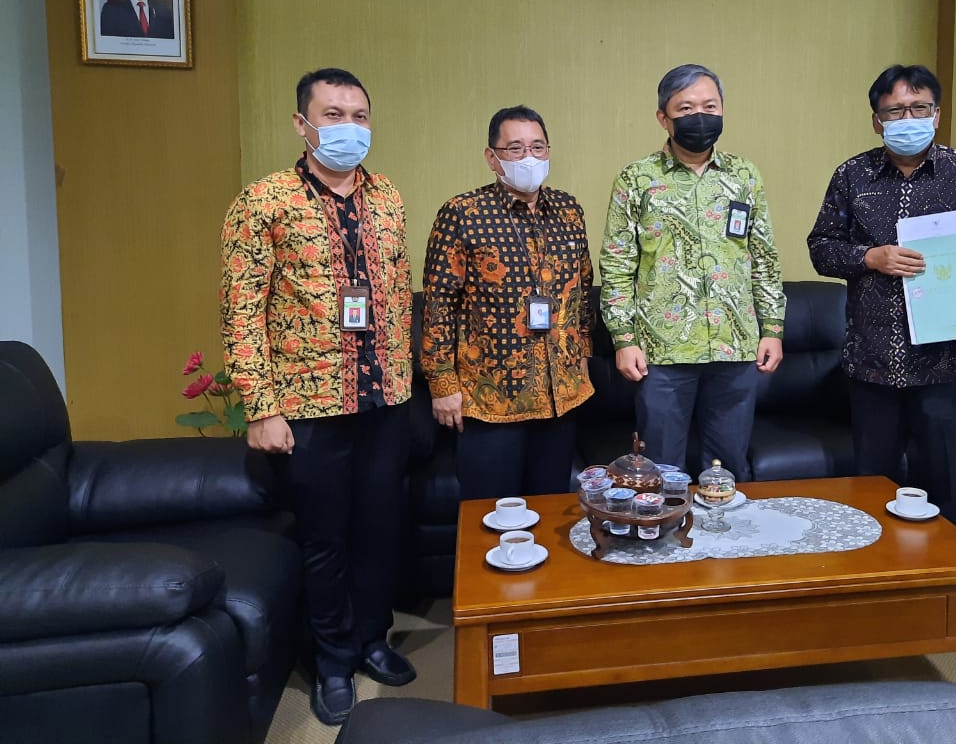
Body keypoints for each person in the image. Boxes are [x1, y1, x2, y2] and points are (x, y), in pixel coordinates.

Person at [220, 67, 416, 726]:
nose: (349, 128)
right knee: (325, 539)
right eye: (334, 115)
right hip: (309, 406)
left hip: (385, 399)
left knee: (379, 530)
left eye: (359, 115)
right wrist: (262, 405)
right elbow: (241, 312)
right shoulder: (263, 201)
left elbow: (397, 295)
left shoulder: (387, 197)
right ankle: (333, 660)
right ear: (302, 124)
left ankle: (371, 640)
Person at [806, 64, 956, 535]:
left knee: (949, 487)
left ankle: (953, 575)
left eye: (919, 108)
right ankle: (875, 575)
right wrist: (869, 257)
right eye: (895, 111)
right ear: (876, 120)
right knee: (872, 490)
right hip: (873, 362)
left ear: (937, 114)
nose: (909, 119)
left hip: (948, 360)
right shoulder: (852, 176)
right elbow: (821, 248)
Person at [599, 64, 785, 480]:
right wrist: (624, 339)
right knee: (661, 473)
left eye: (709, 106)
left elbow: (764, 257)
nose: (699, 116)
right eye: (685, 108)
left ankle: (724, 526)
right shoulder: (636, 179)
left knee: (726, 472)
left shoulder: (744, 175)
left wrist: (772, 329)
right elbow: (616, 264)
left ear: (722, 111)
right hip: (662, 352)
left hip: (735, 346)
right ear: (663, 118)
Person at [420, 106, 594, 500]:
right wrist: (442, 384)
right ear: (492, 157)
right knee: (491, 519)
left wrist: (582, 351)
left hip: (560, 397)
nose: (528, 157)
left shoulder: (568, 210)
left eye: (537, 147)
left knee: (550, 515)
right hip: (491, 400)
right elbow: (438, 304)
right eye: (515, 148)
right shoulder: (462, 213)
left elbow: (582, 288)